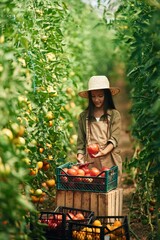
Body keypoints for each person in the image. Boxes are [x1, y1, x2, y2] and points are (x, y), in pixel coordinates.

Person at [76, 75, 122, 180]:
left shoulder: (114, 115)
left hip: (109, 159)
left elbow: (114, 139)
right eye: (93, 96)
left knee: (109, 190)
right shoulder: (84, 116)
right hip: (91, 161)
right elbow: (81, 141)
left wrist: (103, 152)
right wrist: (80, 156)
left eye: (100, 96)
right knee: (92, 190)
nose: (96, 99)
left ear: (107, 96)